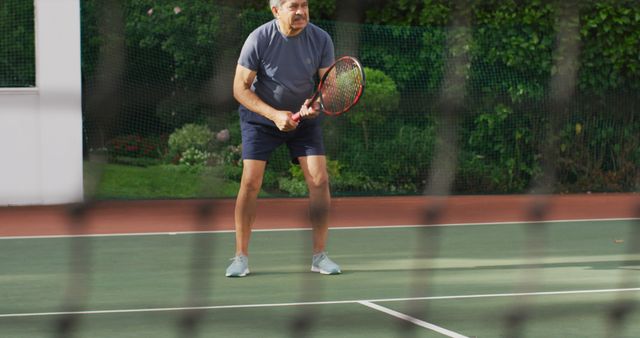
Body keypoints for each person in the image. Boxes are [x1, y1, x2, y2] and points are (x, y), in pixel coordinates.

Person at [225, 0, 341, 277]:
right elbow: (239, 89)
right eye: (292, 6)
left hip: (304, 121)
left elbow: (331, 86)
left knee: (319, 179)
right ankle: (240, 257)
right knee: (251, 181)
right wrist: (275, 115)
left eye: (304, 5)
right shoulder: (259, 38)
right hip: (260, 119)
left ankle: (319, 256)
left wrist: (317, 104)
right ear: (276, 11)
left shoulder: (321, 38)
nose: (300, 11)